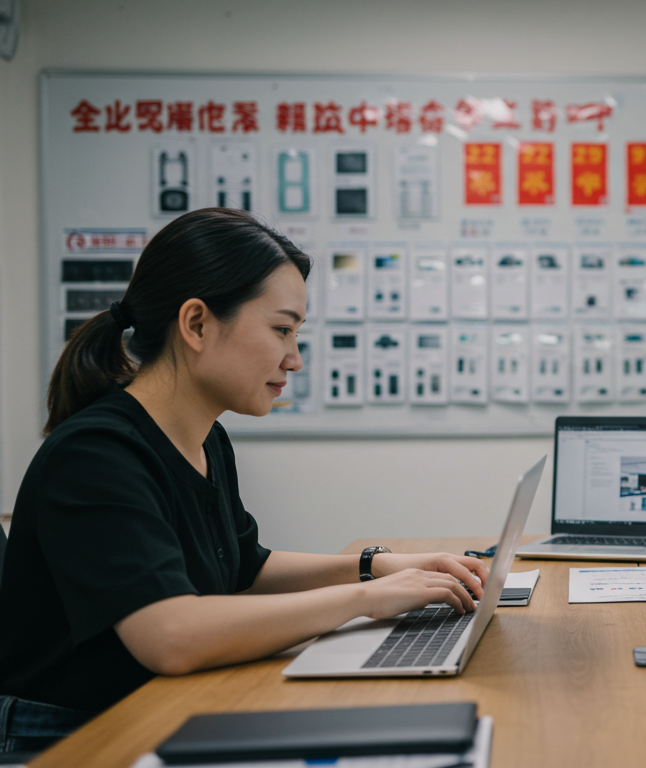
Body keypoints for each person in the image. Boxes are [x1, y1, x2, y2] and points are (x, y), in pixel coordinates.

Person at [0, 209, 491, 754]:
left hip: (165, 707)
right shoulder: (95, 455)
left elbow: (243, 567)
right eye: (282, 329)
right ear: (197, 324)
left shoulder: (206, 438)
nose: (295, 358)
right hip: (73, 736)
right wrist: (365, 599)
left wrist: (377, 565)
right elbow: (172, 637)